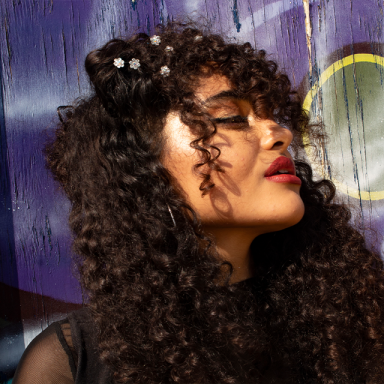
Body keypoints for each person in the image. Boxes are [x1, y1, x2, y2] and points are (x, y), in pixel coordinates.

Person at [12, 22, 384, 384]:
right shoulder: (74, 364)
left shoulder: (356, 321)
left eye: (272, 115)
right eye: (231, 118)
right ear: (143, 166)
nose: (279, 133)